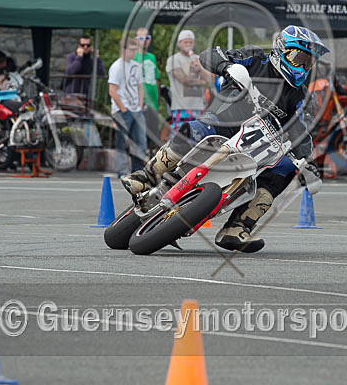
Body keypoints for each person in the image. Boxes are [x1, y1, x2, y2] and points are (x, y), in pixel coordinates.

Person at [121, 25, 328, 253]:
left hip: (256, 148)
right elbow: (210, 54)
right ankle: (147, 176)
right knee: (196, 129)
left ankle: (237, 227)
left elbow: (299, 128)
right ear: (281, 50)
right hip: (221, 124)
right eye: (298, 58)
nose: (302, 67)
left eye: (308, 62)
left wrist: (309, 163)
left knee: (286, 169)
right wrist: (227, 67)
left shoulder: (297, 94)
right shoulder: (256, 58)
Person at [109, 37, 146, 175]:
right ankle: (122, 171)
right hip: (122, 110)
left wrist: (140, 105)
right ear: (124, 50)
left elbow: (140, 87)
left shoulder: (136, 66)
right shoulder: (117, 66)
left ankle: (137, 171)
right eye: (132, 49)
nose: (135, 52)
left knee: (140, 142)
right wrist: (123, 109)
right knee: (122, 142)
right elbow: (112, 90)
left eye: (136, 49)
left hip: (136, 109)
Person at [165, 30, 212, 131]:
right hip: (181, 106)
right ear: (179, 43)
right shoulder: (174, 60)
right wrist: (202, 82)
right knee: (179, 137)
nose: (188, 44)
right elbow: (184, 80)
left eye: (191, 42)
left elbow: (210, 79)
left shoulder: (199, 59)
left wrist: (200, 69)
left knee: (197, 136)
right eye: (185, 42)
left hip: (198, 106)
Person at [134, 27, 161, 147]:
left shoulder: (152, 57)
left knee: (153, 134)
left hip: (153, 103)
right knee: (139, 134)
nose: (144, 40)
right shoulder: (133, 57)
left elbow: (156, 79)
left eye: (147, 38)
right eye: (141, 38)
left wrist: (158, 100)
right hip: (139, 102)